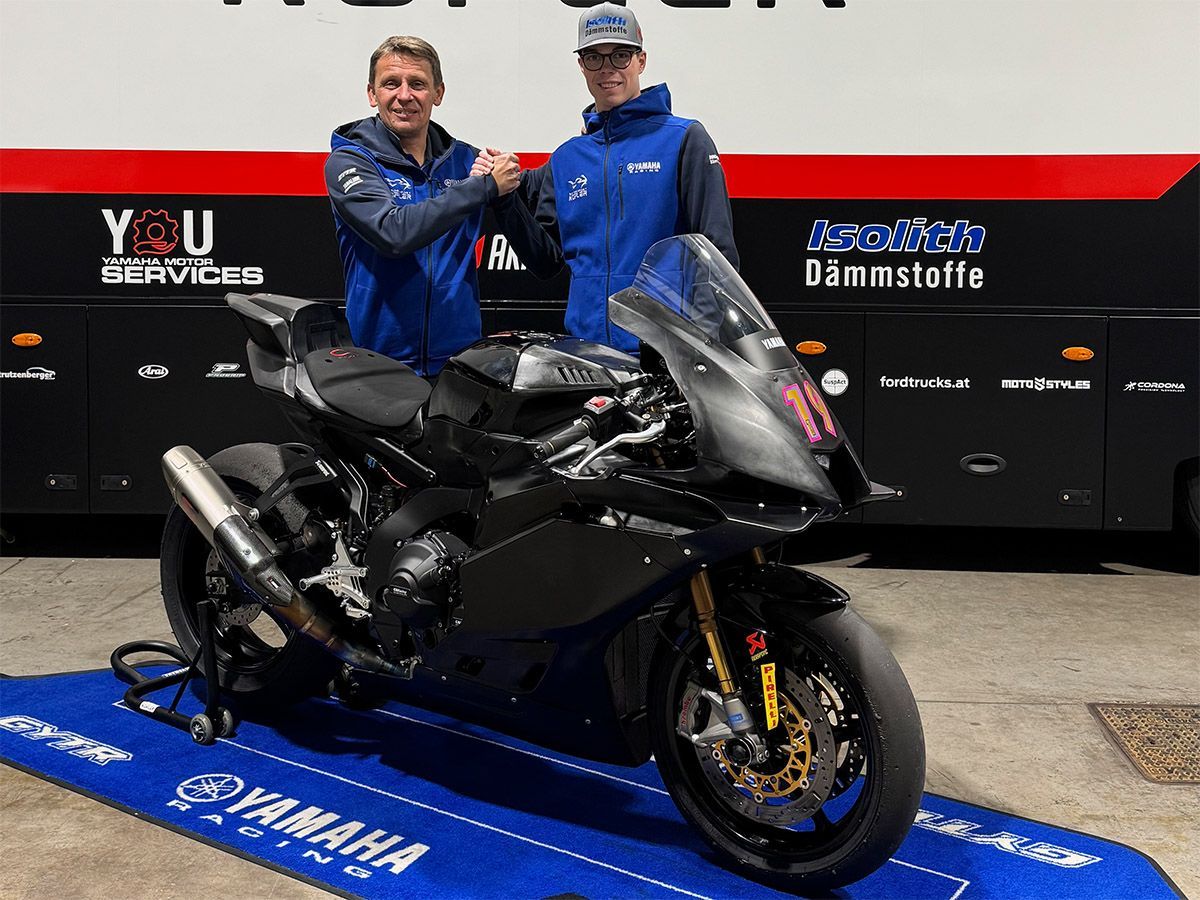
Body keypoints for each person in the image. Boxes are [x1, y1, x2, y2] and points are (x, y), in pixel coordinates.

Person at [473, 2, 739, 354]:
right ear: (581, 65)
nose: (607, 68)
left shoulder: (684, 138)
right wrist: (504, 200)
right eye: (594, 57)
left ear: (641, 61)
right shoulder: (567, 157)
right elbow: (545, 262)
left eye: (620, 56)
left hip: (666, 355)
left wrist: (698, 348)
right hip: (587, 355)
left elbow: (717, 255)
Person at [325, 36, 523, 376]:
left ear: (438, 93)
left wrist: (504, 191)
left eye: (417, 84)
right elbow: (393, 233)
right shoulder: (350, 161)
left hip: (459, 365)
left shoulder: (466, 162)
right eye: (391, 83)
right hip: (378, 366)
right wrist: (483, 187)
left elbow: (541, 255)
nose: (404, 95)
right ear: (372, 94)